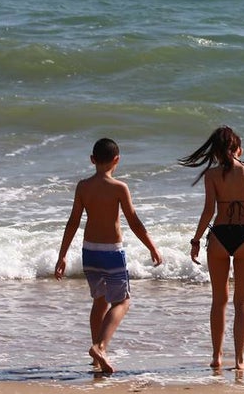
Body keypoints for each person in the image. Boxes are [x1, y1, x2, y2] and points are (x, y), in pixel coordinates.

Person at [55, 137, 163, 375]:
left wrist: (62, 255)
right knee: (122, 301)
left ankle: (97, 356)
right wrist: (152, 246)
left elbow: (73, 221)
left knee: (99, 301)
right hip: (112, 252)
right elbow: (133, 221)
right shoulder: (119, 188)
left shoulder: (83, 186)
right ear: (117, 160)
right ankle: (101, 347)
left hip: (89, 252)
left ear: (92, 160)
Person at [179, 125, 244, 370]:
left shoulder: (211, 176)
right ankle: (240, 360)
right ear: (239, 148)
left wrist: (196, 240)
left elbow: (209, 210)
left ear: (218, 152)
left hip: (219, 237)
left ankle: (217, 357)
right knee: (242, 302)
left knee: (219, 300)